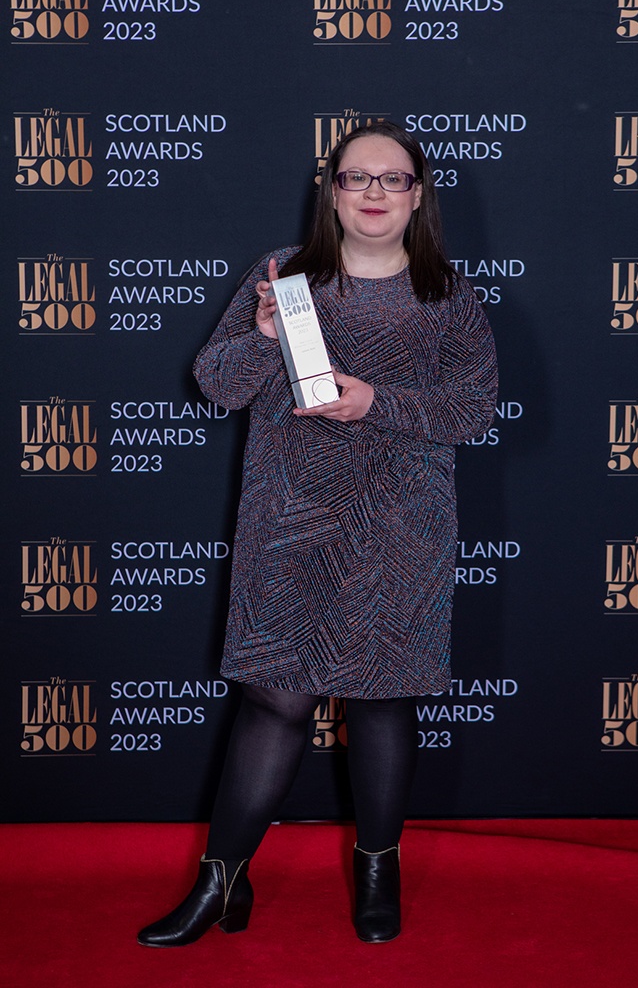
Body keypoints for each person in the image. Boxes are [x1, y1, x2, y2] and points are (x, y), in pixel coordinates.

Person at [137, 120, 499, 948]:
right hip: (289, 522)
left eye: (392, 178)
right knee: (274, 699)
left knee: (381, 700)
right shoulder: (283, 275)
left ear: (416, 196)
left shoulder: (447, 294)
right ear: (330, 191)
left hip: (399, 528)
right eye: (355, 176)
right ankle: (221, 882)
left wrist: (377, 402)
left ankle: (377, 870)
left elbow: (473, 409)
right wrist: (264, 334)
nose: (373, 192)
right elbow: (217, 385)